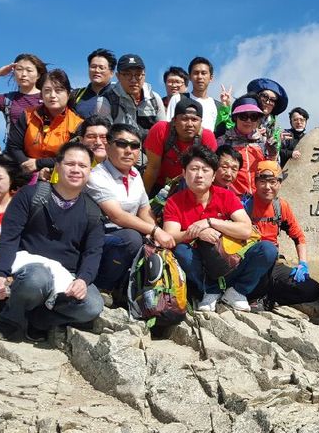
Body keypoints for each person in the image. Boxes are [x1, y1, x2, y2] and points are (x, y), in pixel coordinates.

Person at [0, 143, 105, 342]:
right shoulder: (31, 195)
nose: (76, 170)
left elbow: (93, 252)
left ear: (89, 171)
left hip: (67, 275)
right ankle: (10, 320)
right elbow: (9, 238)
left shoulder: (92, 211)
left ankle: (40, 320)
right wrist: (0, 273)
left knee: (92, 306)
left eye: (83, 166)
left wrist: (83, 280)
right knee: (36, 279)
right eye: (70, 164)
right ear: (57, 166)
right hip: (29, 268)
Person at [162, 145, 277, 311]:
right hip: (200, 267)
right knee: (181, 251)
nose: (199, 175)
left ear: (213, 175)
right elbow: (170, 236)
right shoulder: (175, 201)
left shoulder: (226, 196)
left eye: (205, 170)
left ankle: (237, 291)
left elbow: (246, 229)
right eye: (194, 169)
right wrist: (198, 233)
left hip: (230, 261)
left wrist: (211, 222)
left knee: (268, 249)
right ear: (184, 173)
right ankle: (209, 290)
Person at [86, 123, 176, 304]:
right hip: (99, 236)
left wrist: (155, 232)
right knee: (132, 238)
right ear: (108, 146)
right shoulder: (96, 176)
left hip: (125, 234)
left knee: (152, 241)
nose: (128, 150)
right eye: (121, 144)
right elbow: (117, 216)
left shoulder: (134, 173)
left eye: (134, 146)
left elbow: (144, 209)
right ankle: (102, 287)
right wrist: (155, 231)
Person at [246, 161, 319, 308]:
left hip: (273, 265)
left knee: (312, 289)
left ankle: (268, 298)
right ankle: (256, 295)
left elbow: (298, 237)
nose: (267, 187)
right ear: (255, 183)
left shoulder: (280, 206)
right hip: (251, 264)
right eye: (262, 182)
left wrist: (303, 263)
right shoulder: (246, 205)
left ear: (279, 183)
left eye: (272, 182)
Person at [6, 69, 84, 177]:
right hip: (24, 172)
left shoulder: (77, 124)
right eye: (47, 91)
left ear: (68, 94)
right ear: (41, 95)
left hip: (60, 176)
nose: (52, 95)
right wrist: (29, 167)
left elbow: (72, 157)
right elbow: (13, 146)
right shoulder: (28, 115)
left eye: (58, 90)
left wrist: (38, 164)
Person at [143, 98, 218, 195]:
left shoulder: (207, 137)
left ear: (201, 122)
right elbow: (152, 169)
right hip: (159, 184)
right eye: (184, 119)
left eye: (194, 120)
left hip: (189, 188)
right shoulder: (161, 130)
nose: (190, 124)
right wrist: (143, 200)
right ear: (174, 121)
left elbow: (207, 175)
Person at [216, 95, 278, 197]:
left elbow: (270, 172)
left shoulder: (264, 142)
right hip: (230, 199)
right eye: (243, 116)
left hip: (258, 199)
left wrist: (273, 155)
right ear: (235, 118)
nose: (248, 121)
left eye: (253, 117)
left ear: (258, 120)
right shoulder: (222, 141)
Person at [0, 53, 46, 141]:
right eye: (19, 69)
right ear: (14, 73)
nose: (23, 74)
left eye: (29, 70)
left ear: (38, 75)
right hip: (14, 148)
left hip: (44, 147)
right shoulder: (8, 99)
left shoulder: (48, 98)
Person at [71, 49, 135, 126]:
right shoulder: (76, 95)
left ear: (112, 73)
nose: (96, 70)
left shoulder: (121, 95)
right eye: (93, 67)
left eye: (101, 68)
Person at [114, 53, 167, 134]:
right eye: (127, 74)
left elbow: (163, 132)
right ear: (118, 76)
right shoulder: (109, 99)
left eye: (138, 75)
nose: (133, 80)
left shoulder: (154, 99)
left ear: (144, 75)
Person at [165, 56, 218, 131]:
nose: (200, 77)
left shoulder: (216, 105)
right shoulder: (178, 99)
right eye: (196, 73)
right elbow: (169, 127)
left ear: (211, 78)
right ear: (189, 77)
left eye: (203, 73)